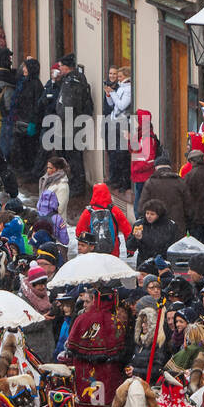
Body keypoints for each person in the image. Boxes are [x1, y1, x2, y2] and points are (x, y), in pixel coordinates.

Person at [54, 54, 94, 200]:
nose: (59, 68)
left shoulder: (72, 82)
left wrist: (63, 121)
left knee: (74, 156)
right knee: (72, 155)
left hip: (71, 126)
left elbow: (69, 105)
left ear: (66, 67)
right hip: (72, 124)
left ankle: (78, 185)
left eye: (61, 66)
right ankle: (75, 182)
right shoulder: (74, 79)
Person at [74, 183, 132, 257]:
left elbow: (79, 232)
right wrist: (130, 250)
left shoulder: (88, 212)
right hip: (113, 251)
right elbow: (127, 230)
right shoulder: (115, 211)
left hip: (93, 252)